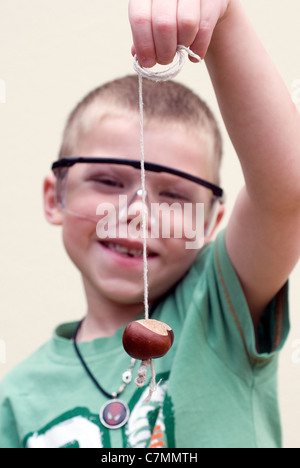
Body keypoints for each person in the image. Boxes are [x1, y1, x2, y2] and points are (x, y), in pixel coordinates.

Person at [1, 0, 299, 448]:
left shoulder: (219, 306)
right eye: (106, 180)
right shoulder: (17, 396)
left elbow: (287, 194)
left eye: (175, 195)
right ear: (54, 197)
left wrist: (227, 17)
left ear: (208, 222)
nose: (138, 211)